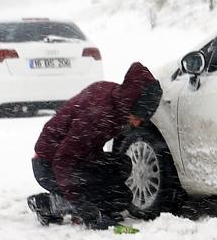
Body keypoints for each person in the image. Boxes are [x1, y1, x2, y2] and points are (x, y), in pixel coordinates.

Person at [27, 61, 163, 229]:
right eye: (138, 116)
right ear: (131, 104)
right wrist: (84, 208)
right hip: (49, 165)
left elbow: (87, 145)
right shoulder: (98, 114)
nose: (137, 123)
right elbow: (63, 161)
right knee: (113, 201)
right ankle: (48, 204)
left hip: (78, 160)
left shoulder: (115, 99)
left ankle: (93, 202)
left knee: (122, 171)